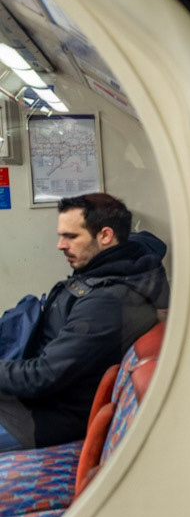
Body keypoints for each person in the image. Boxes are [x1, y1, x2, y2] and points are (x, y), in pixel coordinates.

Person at [0, 193, 169, 451]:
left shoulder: (106, 303)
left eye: (71, 236)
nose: (60, 245)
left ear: (105, 236)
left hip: (35, 420)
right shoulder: (112, 270)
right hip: (29, 404)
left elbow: (42, 377)